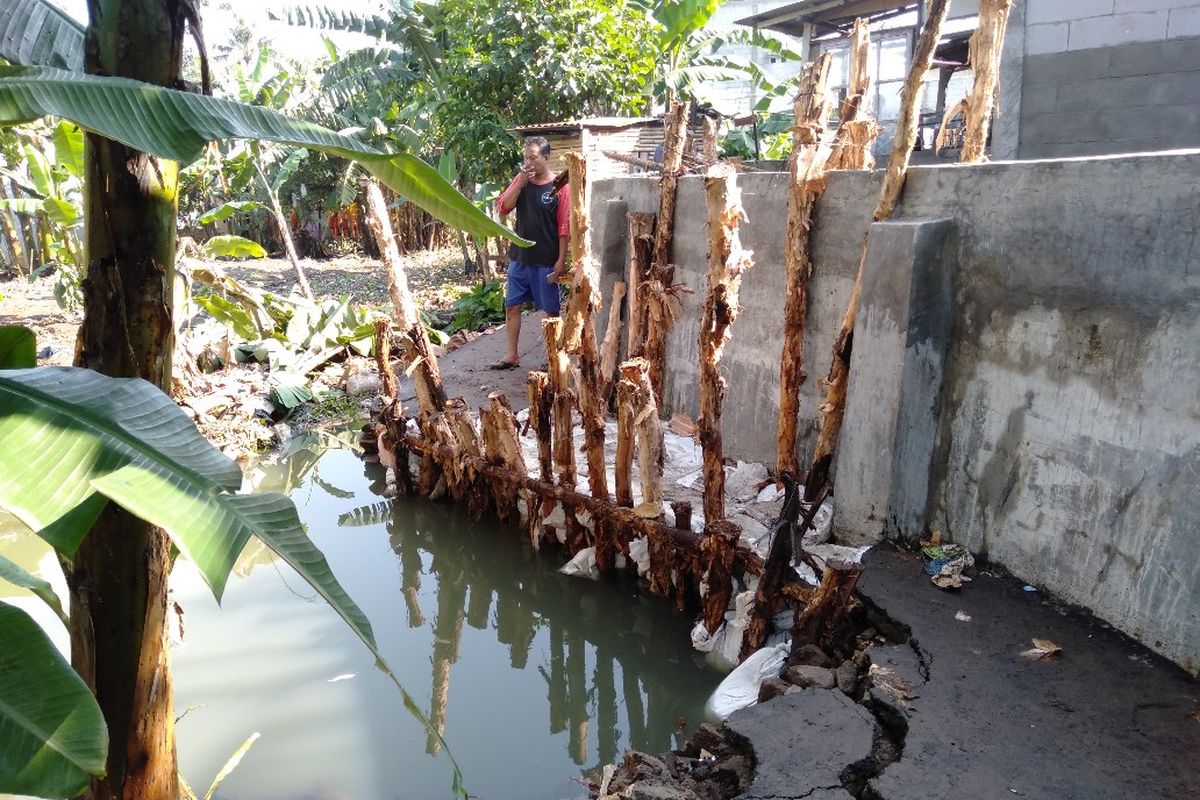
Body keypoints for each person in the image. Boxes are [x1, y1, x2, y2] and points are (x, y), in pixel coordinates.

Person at [491, 135, 569, 369]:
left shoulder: (559, 187)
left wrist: (560, 261)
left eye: (533, 157)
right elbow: (503, 207)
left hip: (546, 260)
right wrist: (519, 184)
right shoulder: (520, 181)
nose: (529, 162)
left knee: (551, 312)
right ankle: (512, 355)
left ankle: (553, 358)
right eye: (526, 157)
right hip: (520, 258)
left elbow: (564, 227)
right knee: (512, 306)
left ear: (546, 157)